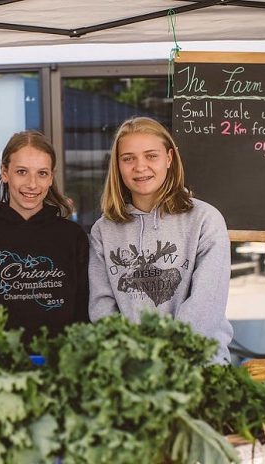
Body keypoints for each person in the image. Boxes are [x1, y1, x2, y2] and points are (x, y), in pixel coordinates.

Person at [88, 117, 233, 363]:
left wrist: (165, 360)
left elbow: (205, 305)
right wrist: (135, 363)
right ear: (118, 166)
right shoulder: (103, 230)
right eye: (128, 158)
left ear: (169, 159)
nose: (140, 166)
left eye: (151, 156)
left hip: (199, 365)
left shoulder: (205, 220)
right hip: (132, 372)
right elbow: (102, 308)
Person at [0, 130, 89, 344]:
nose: (32, 184)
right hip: (0, 367)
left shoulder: (73, 237)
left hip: (61, 366)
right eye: (22, 172)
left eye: (42, 173)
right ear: (5, 173)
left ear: (51, 177)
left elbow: (84, 311)